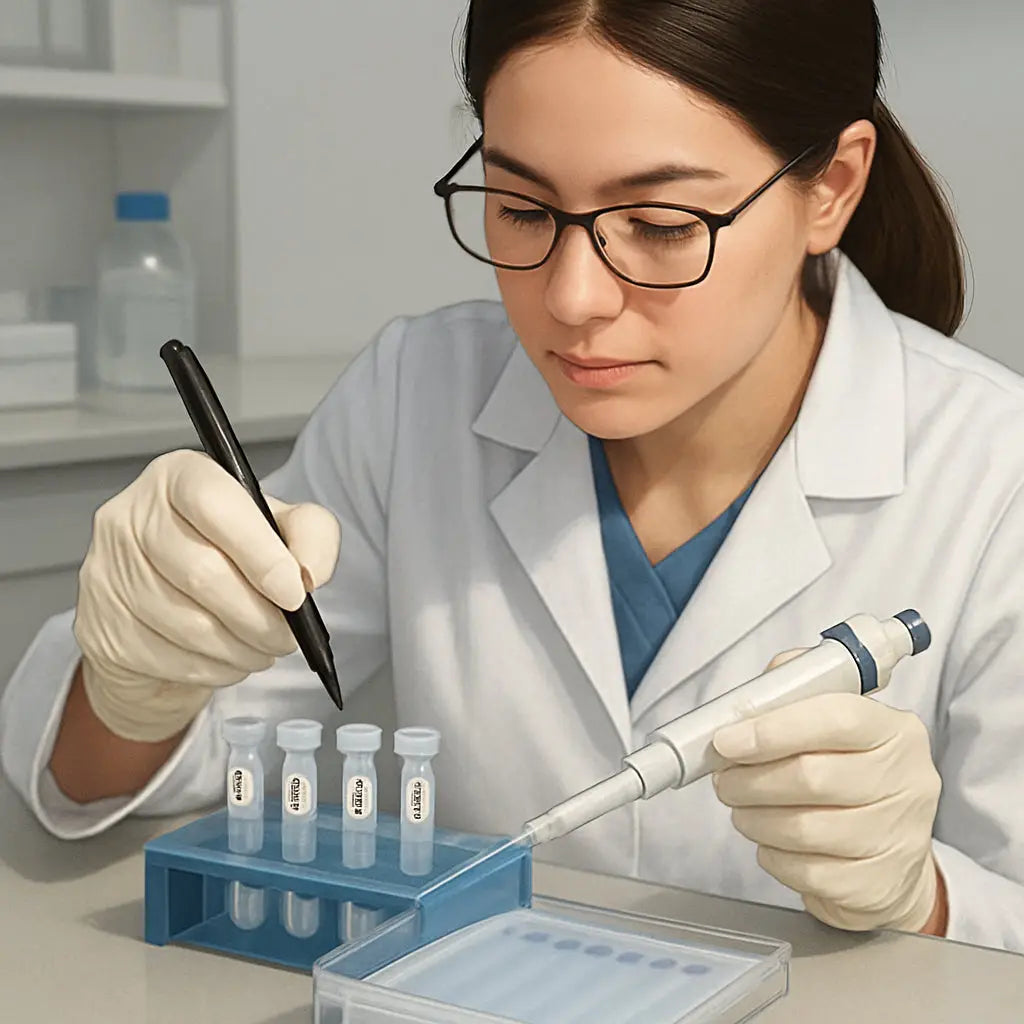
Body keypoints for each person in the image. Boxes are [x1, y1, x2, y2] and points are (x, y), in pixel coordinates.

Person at [3, 0, 1024, 954]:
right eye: (520, 206)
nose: (572, 299)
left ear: (832, 188)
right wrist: (133, 684)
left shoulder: (991, 468)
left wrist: (918, 893)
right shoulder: (417, 395)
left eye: (664, 225)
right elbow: (110, 784)